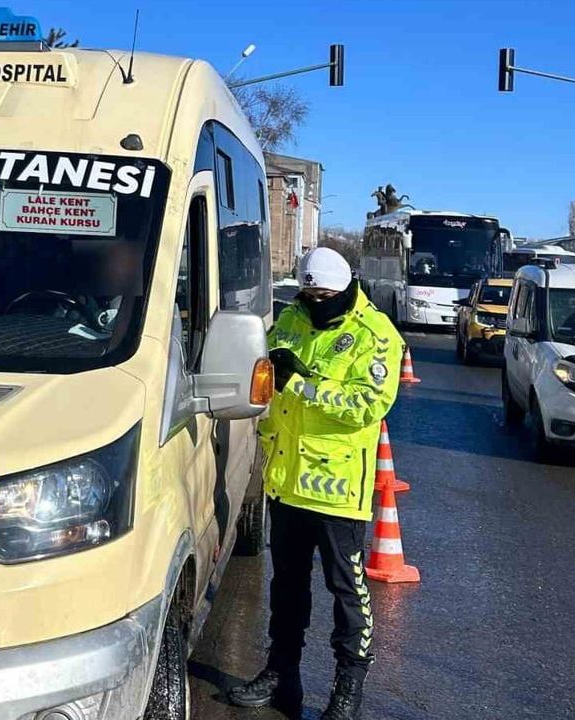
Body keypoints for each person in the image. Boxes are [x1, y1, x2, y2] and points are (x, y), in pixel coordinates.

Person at [226, 247, 405, 720]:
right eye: (308, 292)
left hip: (336, 487)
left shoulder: (375, 335)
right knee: (286, 587)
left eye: (324, 294)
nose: (315, 300)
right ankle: (281, 674)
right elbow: (263, 370)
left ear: (344, 289)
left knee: (346, 589)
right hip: (286, 479)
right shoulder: (291, 320)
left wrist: (301, 385)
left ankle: (348, 688)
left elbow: (368, 405)